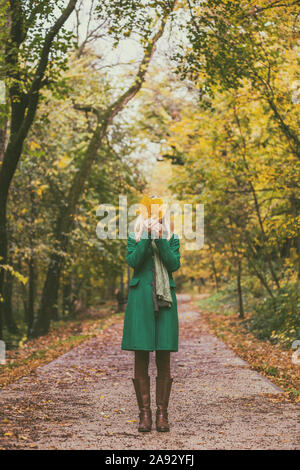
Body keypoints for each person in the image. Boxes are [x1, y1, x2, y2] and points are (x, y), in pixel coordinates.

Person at [121, 195, 181, 432]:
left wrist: (161, 239)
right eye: (150, 214)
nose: (154, 217)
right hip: (141, 303)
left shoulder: (172, 238)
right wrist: (146, 236)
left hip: (165, 303)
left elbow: (173, 264)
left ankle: (162, 415)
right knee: (141, 356)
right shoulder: (133, 237)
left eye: (158, 214)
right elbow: (133, 261)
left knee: (164, 356)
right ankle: (144, 415)